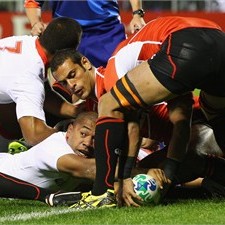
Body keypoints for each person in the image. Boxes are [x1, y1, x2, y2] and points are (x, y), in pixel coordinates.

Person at [50, 16, 225, 209]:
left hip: (186, 46)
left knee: (111, 105)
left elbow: (134, 127)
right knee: (214, 115)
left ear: (85, 63)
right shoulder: (150, 75)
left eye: (72, 76)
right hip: (217, 38)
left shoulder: (113, 75)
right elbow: (180, 118)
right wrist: (169, 169)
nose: (71, 85)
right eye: (65, 83)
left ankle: (100, 193)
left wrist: (125, 176)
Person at [0, 17, 83, 147]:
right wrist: (73, 136)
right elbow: (34, 136)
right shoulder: (29, 78)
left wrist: (75, 111)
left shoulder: (26, 42)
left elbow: (45, 96)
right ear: (64, 53)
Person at [0, 111, 97, 206]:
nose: (87, 143)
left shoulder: (91, 152)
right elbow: (90, 169)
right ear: (70, 130)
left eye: (95, 138)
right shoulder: (54, 147)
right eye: (83, 134)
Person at [24, 0, 146, 68]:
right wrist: (35, 23)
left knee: (118, 85)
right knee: (74, 96)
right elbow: (32, 2)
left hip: (108, 33)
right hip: (67, 36)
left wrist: (137, 14)